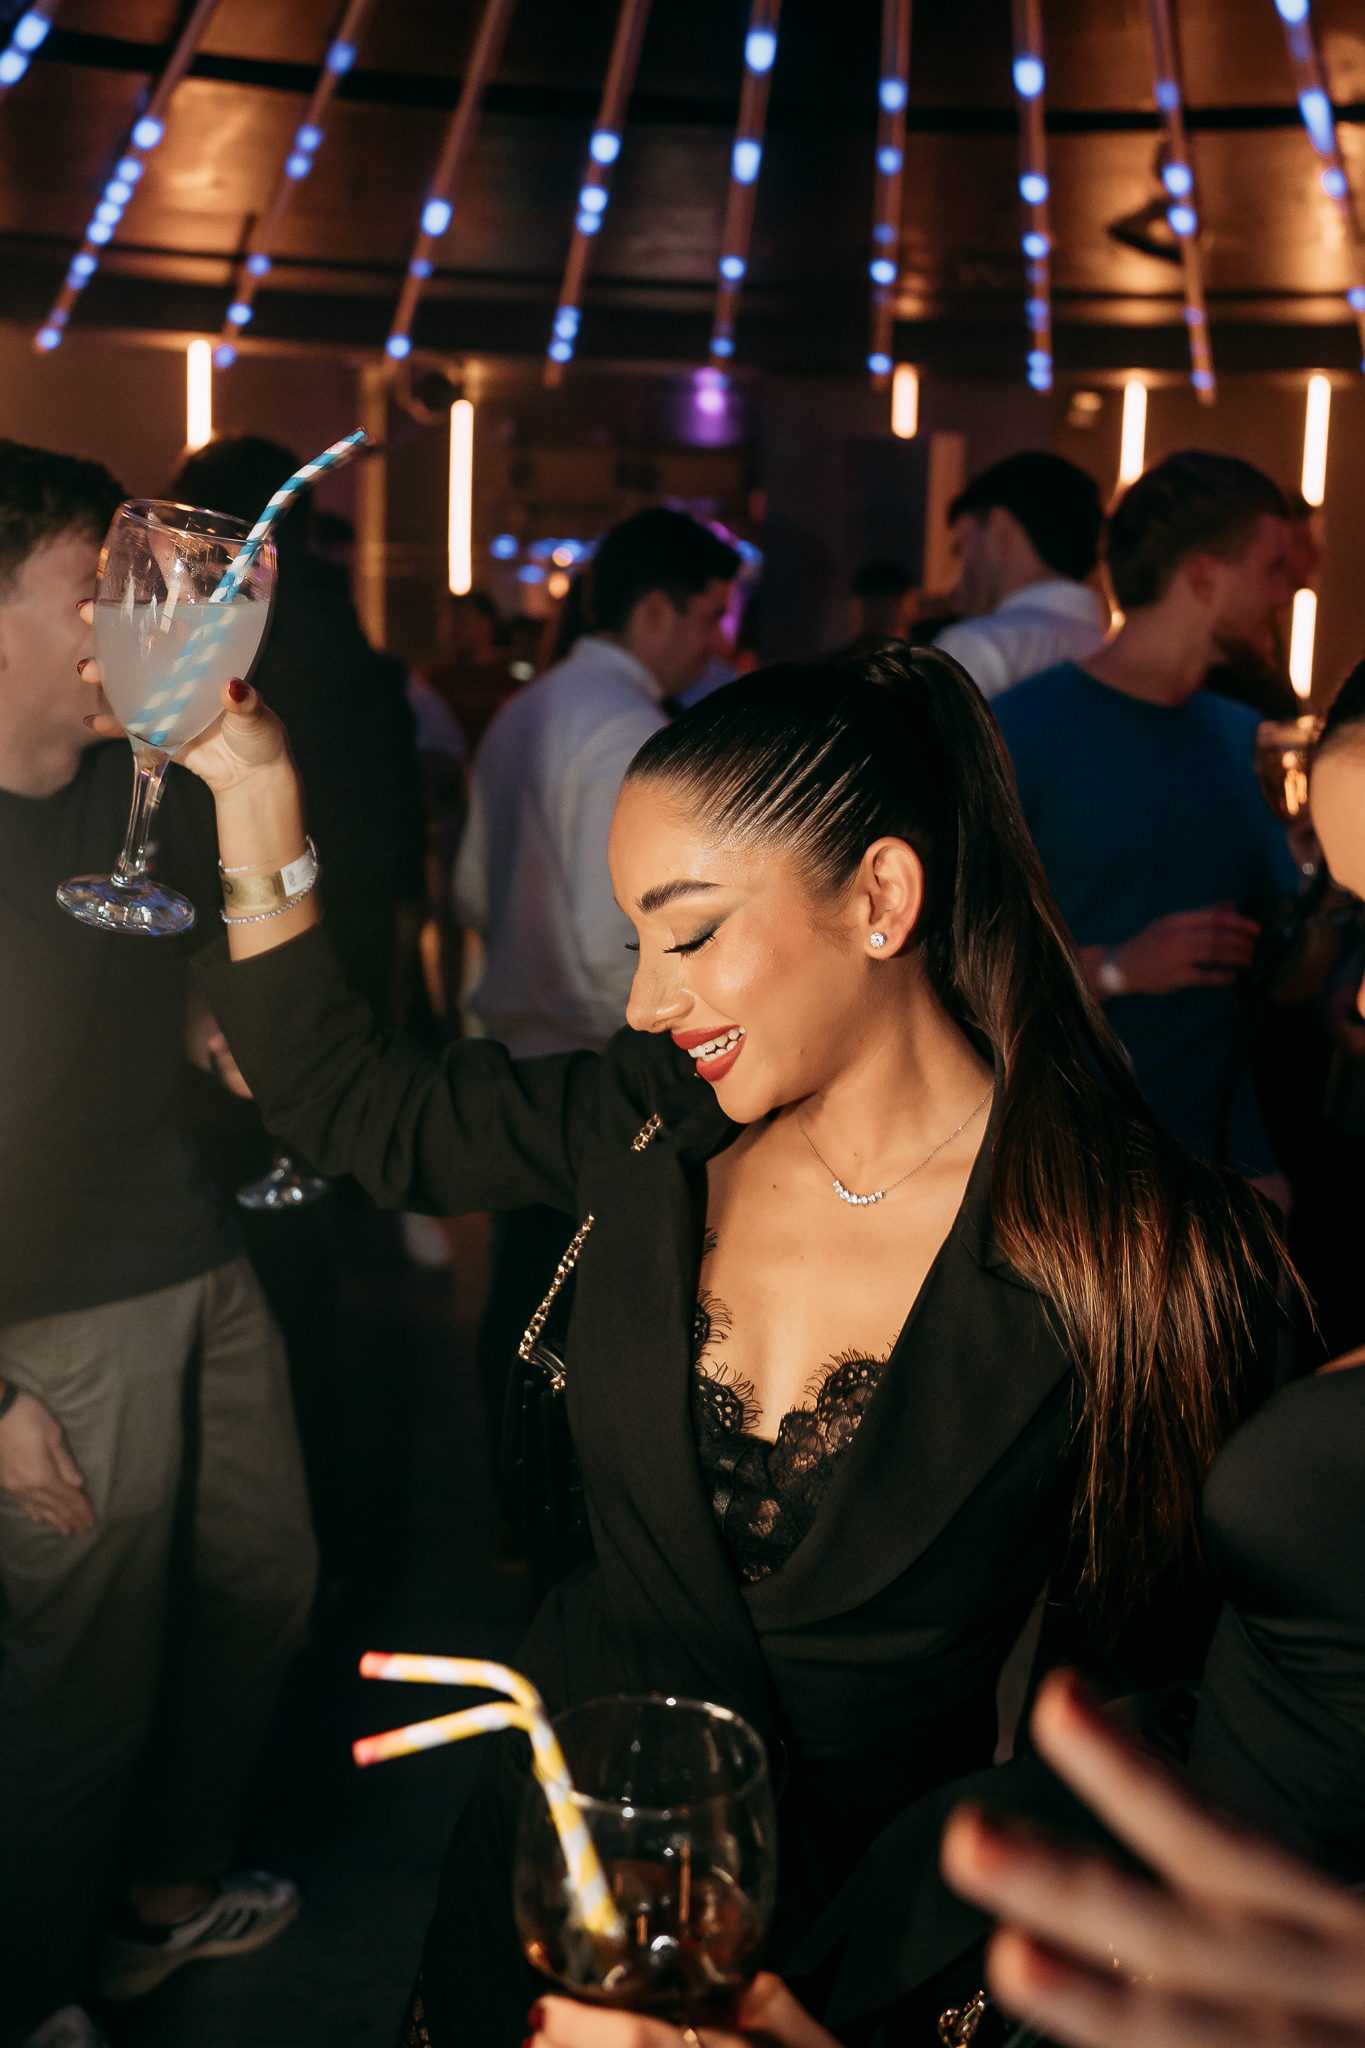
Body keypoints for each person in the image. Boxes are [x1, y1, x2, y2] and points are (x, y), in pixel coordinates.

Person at [79, 615, 1291, 2045]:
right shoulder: (659, 1126)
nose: (648, 999)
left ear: (881, 896)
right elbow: (356, 1107)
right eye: (637, 940)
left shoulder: (1142, 1256)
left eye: (694, 931)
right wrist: (251, 781)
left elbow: (1180, 1725)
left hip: (854, 1950)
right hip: (557, 1883)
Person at [0, 443, 315, 2048]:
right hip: (49, 1314)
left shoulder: (125, 788)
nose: (131, 621)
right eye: (96, 589)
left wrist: (205, 1017)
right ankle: (30, 1993)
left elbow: (163, 952)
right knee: (82, 1686)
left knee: (264, 1581)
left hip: (190, 1240)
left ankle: (159, 1901)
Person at [454, 507, 737, 1561]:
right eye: (710, 615)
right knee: (580, 1315)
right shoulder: (627, 728)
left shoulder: (528, 706)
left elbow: (471, 884)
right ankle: (559, 1530)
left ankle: (513, 1508)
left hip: (516, 1045)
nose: (715, 641)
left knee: (520, 1300)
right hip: (592, 1061)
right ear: (655, 609)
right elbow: (604, 933)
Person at [993, 451, 1302, 1188]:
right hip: (1065, 1164)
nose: (1289, 592)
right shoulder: (1022, 729)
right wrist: (1117, 967)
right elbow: (953, 963)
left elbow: (1290, 982)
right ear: (1202, 576)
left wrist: (1329, 881)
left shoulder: (1244, 741)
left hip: (1219, 1167)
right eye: (1273, 568)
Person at [933, 451, 1107, 698]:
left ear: (1000, 528)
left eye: (961, 549)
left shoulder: (975, 646)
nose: (953, 587)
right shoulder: (1110, 652)